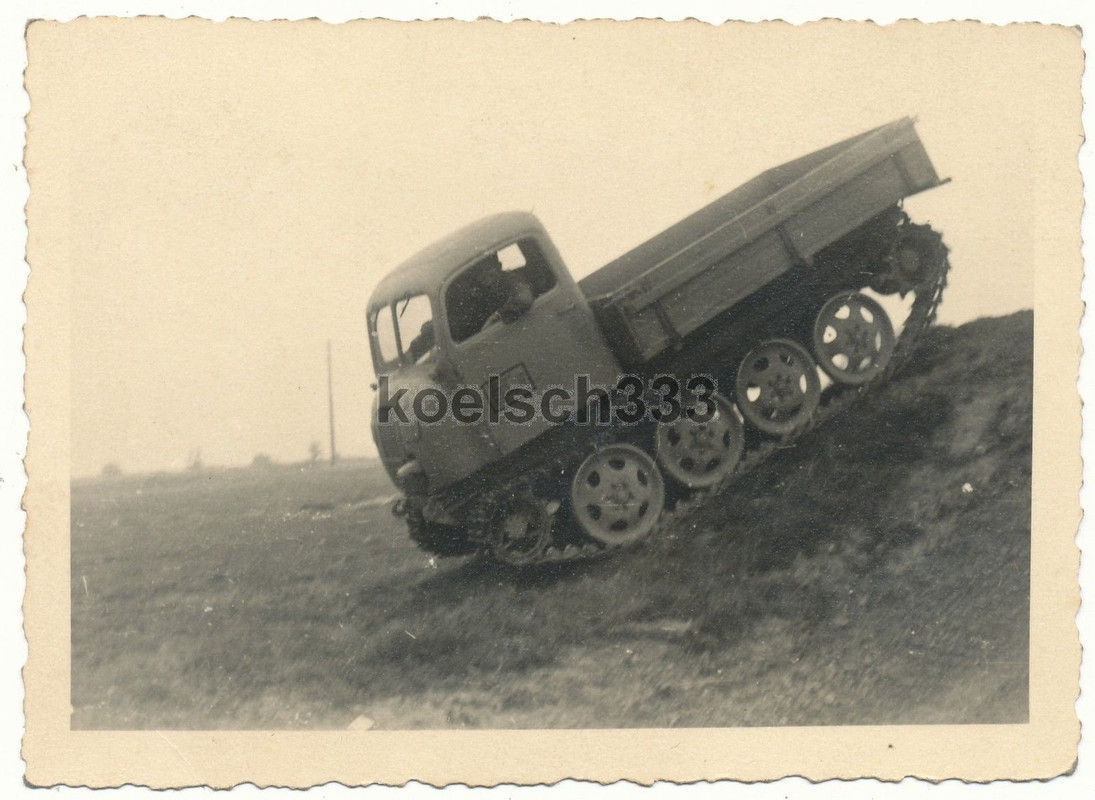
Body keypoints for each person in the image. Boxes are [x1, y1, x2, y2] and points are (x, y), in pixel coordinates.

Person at [448, 252, 535, 342]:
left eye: (488, 270)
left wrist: (498, 316)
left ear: (499, 266)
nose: (485, 277)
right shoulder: (485, 291)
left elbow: (524, 298)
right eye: (480, 274)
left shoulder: (510, 280)